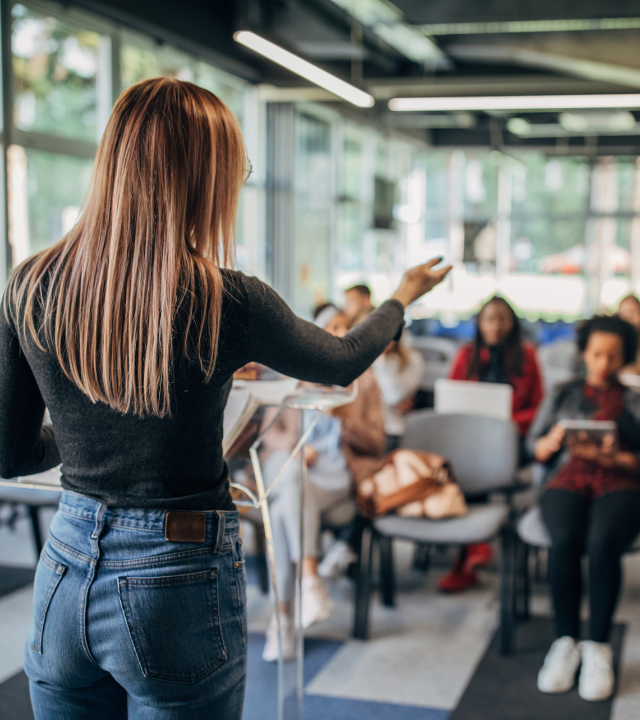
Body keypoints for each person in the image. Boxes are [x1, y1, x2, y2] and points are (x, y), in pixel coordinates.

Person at [0, 77, 450, 720]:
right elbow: (343, 360)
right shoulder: (226, 298)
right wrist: (401, 299)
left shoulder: (30, 284)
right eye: (234, 169)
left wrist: (77, 440)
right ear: (199, 177)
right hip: (174, 572)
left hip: (63, 567)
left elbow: (9, 453)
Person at [528, 315, 640, 703]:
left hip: (622, 482)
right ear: (584, 354)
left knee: (603, 541)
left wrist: (617, 459)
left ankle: (598, 646)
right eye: (596, 354)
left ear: (624, 358)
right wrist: (552, 441)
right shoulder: (561, 393)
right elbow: (533, 448)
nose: (603, 363)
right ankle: (565, 640)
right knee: (565, 539)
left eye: (612, 356)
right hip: (568, 477)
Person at [259, 304, 385, 661]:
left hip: (333, 480)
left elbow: (377, 443)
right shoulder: (291, 377)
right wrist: (299, 448)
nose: (337, 335)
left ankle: (282, 619)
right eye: (330, 327)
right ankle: (309, 580)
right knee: (289, 479)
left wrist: (345, 420)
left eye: (345, 328)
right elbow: (271, 436)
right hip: (291, 472)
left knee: (286, 506)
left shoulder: (363, 382)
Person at [438, 296, 544, 592]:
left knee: (475, 464)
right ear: (479, 323)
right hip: (468, 441)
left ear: (512, 324)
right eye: (489, 319)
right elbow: (451, 400)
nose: (495, 326)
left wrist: (506, 421)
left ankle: (471, 552)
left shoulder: (527, 356)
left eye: (502, 319)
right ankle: (472, 549)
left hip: (512, 440)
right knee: (458, 461)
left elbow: (539, 408)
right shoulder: (466, 355)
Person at [372, 335, 425, 451]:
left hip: (394, 426)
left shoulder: (412, 360)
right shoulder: (364, 361)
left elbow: (394, 397)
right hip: (369, 427)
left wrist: (381, 362)